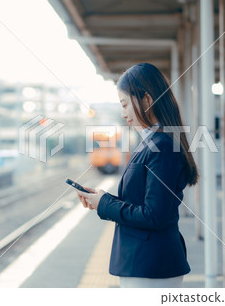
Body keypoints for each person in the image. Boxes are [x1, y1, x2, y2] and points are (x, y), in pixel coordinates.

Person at [76, 62, 199, 288]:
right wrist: (103, 199)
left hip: (151, 264)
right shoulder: (152, 143)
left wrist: (104, 204)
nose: (123, 114)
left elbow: (154, 215)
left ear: (147, 100)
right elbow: (142, 203)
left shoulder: (160, 146)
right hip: (146, 263)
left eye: (125, 105)